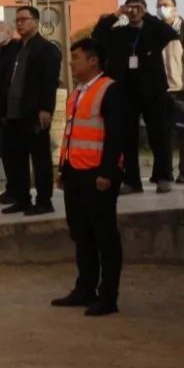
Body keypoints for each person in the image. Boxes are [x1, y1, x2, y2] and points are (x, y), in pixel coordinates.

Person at [51, 38, 126, 316]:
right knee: (81, 233)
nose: (72, 63)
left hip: (98, 175)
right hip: (75, 172)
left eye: (77, 58)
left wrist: (108, 172)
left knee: (104, 236)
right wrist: (63, 169)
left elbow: (117, 136)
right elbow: (71, 133)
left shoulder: (110, 90)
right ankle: (85, 288)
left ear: (93, 60)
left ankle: (108, 296)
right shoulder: (78, 92)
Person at [92, 0, 180, 193]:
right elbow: (97, 35)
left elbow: (170, 34)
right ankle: (131, 180)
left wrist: (146, 15)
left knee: (159, 135)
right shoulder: (119, 33)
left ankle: (163, 176)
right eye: (130, 8)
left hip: (153, 90)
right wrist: (115, 15)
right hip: (125, 91)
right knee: (127, 137)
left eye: (137, 8)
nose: (133, 12)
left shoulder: (153, 31)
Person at [0, 6, 62, 215]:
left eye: (24, 19)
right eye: (17, 20)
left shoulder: (46, 49)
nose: (19, 23)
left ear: (35, 21)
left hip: (34, 112)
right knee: (17, 159)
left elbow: (49, 83)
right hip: (13, 113)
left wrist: (45, 109)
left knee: (40, 158)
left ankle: (44, 201)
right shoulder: (16, 49)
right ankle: (22, 198)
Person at [0, 21, 21, 204]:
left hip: (10, 113)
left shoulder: (17, 51)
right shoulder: (0, 55)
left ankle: (18, 191)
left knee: (14, 155)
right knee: (6, 154)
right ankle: (11, 188)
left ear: (9, 33)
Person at [158, 0, 184, 183]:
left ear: (174, 8)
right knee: (162, 135)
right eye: (159, 6)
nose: (162, 9)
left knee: (183, 134)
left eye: (166, 5)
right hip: (161, 90)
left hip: (181, 89)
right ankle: (164, 174)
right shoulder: (155, 31)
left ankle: (183, 172)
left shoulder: (182, 29)